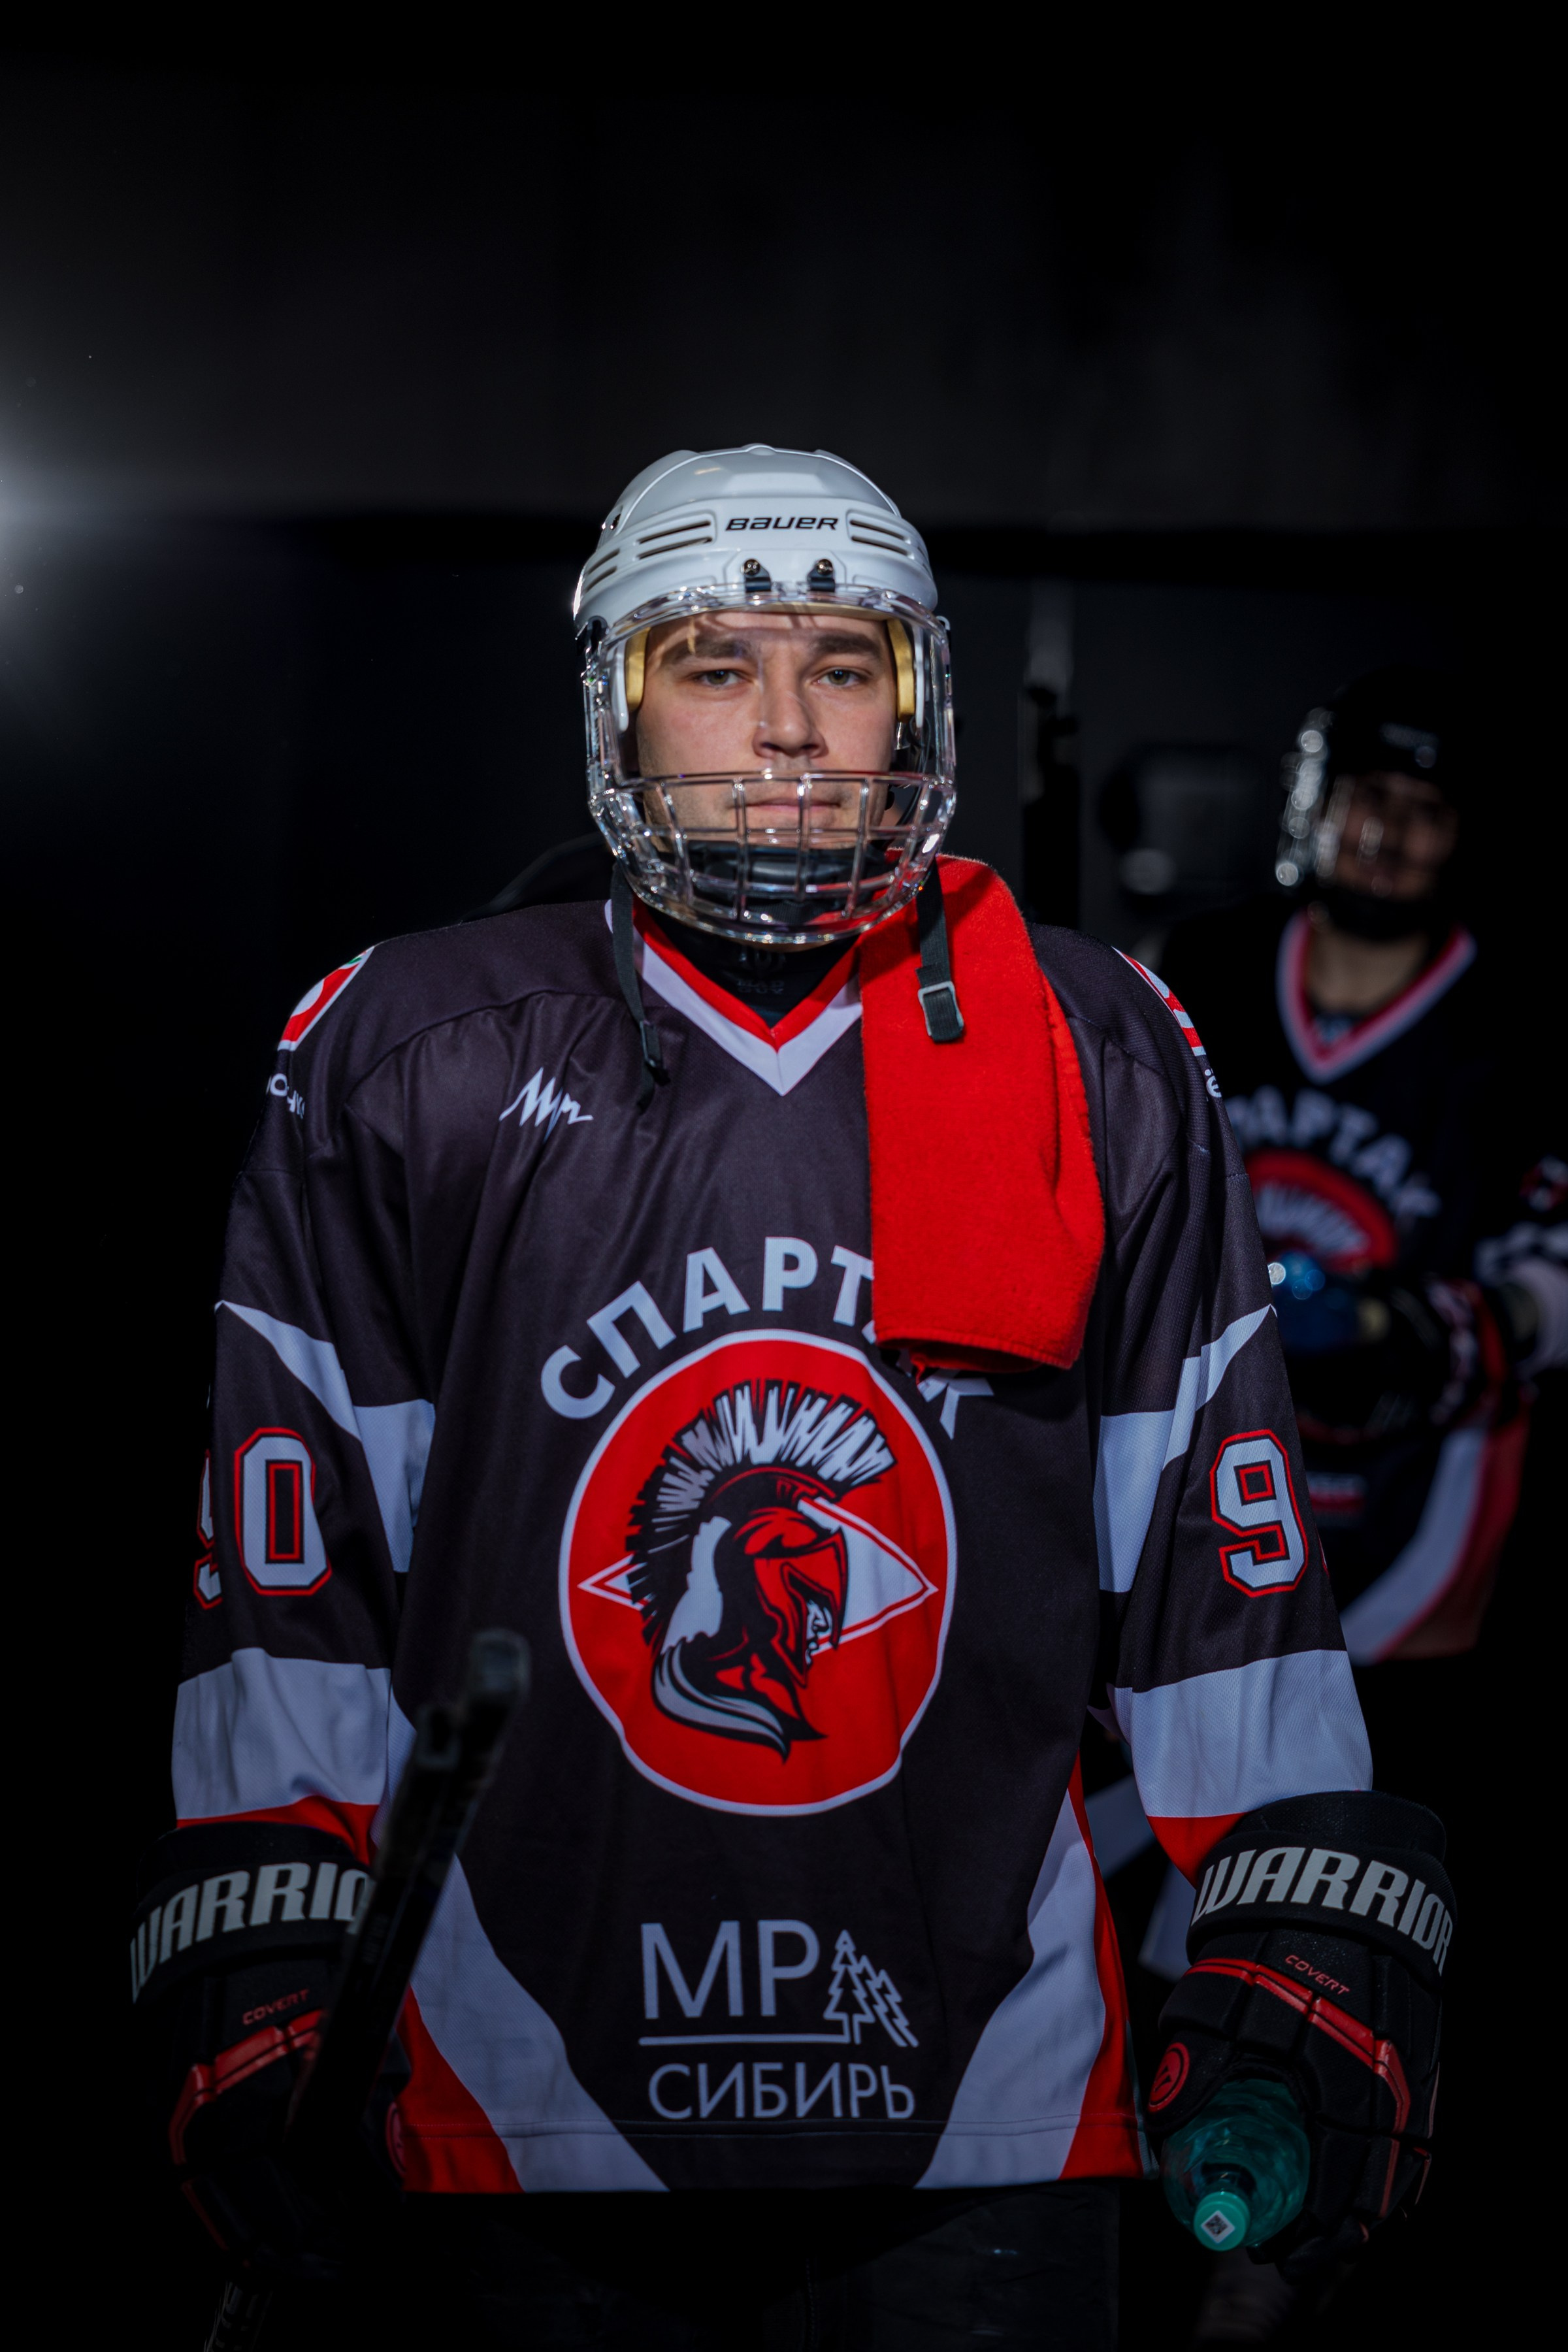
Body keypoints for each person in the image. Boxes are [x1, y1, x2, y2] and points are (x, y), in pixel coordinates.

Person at [132, 453, 1448, 2350]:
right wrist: (267, 1901)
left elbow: (1211, 1559)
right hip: (490, 2099)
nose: (784, 730)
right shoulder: (406, 1053)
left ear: (917, 703)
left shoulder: (1093, 1046)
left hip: (990, 2103)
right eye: (714, 664)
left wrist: (1287, 1896)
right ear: (618, 706)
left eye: (842, 665)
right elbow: (296, 1570)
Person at [1158, 666, 1563, 2344]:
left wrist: (1405, 1330)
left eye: (1426, 811)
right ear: (1311, 809)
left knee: (1368, 1927)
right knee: (1180, 1892)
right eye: (1365, 801)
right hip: (1206, 1552)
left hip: (1409, 1566)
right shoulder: (1201, 982)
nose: (1387, 837)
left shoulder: (1516, 1031)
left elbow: (1550, 1288)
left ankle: (1307, 2255)